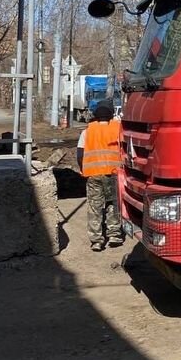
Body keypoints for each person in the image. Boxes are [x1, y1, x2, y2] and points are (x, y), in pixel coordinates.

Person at [77, 99, 123, 251]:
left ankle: (96, 240)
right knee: (113, 203)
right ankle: (114, 234)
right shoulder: (118, 129)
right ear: (111, 114)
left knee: (95, 206)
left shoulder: (87, 131)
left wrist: (83, 169)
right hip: (113, 173)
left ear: (96, 115)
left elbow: (80, 153)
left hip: (93, 174)